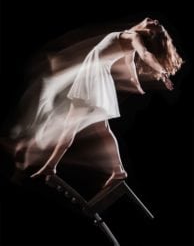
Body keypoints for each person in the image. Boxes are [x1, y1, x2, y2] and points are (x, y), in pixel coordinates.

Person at [3, 17, 183, 188]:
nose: (154, 21)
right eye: (156, 22)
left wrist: (162, 72)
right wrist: (135, 83)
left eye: (156, 25)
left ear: (149, 33)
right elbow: (128, 64)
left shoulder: (134, 37)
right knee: (102, 129)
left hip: (94, 79)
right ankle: (118, 170)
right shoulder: (129, 34)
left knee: (69, 126)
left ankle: (50, 166)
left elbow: (145, 54)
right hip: (95, 78)